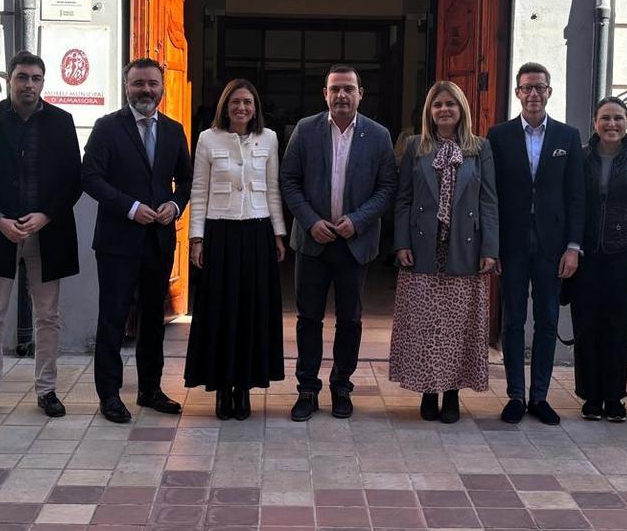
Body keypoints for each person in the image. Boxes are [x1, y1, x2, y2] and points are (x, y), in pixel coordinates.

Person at [0, 51, 82, 420]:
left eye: (35, 78)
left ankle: (47, 390)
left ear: (43, 83)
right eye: (22, 77)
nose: (29, 84)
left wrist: (46, 215)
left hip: (48, 232)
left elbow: (73, 180)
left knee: (48, 316)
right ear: (9, 80)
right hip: (1, 231)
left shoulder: (61, 122)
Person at [280, 64, 397, 422]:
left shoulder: (378, 135)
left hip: (354, 244)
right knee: (308, 319)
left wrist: (357, 221)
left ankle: (342, 387)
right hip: (312, 242)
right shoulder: (305, 130)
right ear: (325, 94)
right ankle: (307, 389)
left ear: (361, 94)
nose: (341, 95)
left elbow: (387, 188)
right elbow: (288, 180)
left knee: (350, 320)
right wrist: (310, 221)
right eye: (335, 89)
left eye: (348, 89)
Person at [81, 58, 193, 424]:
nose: (146, 90)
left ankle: (150, 389)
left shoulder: (174, 130)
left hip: (159, 241)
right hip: (117, 240)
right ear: (126, 86)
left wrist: (174, 205)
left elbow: (187, 180)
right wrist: (130, 208)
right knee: (113, 318)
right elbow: (90, 177)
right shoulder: (107, 127)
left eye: (152, 84)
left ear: (162, 88)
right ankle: (110, 395)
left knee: (153, 319)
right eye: (138, 83)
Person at [390, 81, 498, 423]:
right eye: (437, 105)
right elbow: (403, 199)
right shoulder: (415, 146)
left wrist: (490, 248)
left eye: (450, 104)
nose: (444, 110)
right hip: (424, 248)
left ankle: (452, 394)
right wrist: (402, 242)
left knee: (457, 328)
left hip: (465, 248)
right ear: (429, 111)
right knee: (426, 326)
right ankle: (428, 391)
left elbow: (489, 201)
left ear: (461, 109)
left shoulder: (479, 148)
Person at [486, 62, 584, 425]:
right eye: (526, 87)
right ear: (517, 93)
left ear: (549, 92)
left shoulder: (567, 137)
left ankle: (540, 396)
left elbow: (576, 196)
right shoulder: (498, 136)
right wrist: (492, 247)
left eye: (539, 87)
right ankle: (515, 394)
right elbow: (490, 195)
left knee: (547, 320)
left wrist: (573, 246)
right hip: (511, 244)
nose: (533, 94)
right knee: (513, 320)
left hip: (552, 245)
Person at [184, 79, 286, 420]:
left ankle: (243, 387)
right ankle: (221, 387)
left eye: (247, 102)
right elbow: (199, 191)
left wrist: (278, 234)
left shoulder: (269, 138)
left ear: (255, 108)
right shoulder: (207, 139)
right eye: (235, 102)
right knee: (220, 310)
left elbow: (272, 188)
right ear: (225, 107)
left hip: (257, 232)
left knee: (251, 310)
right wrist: (196, 239)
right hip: (220, 233)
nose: (241, 107)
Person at [569, 96, 627, 423]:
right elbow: (571, 204)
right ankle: (591, 396)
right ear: (595, 122)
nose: (611, 124)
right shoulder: (580, 157)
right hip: (586, 255)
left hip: (624, 254)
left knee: (617, 326)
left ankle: (614, 396)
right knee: (586, 325)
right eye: (605, 118)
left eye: (618, 118)